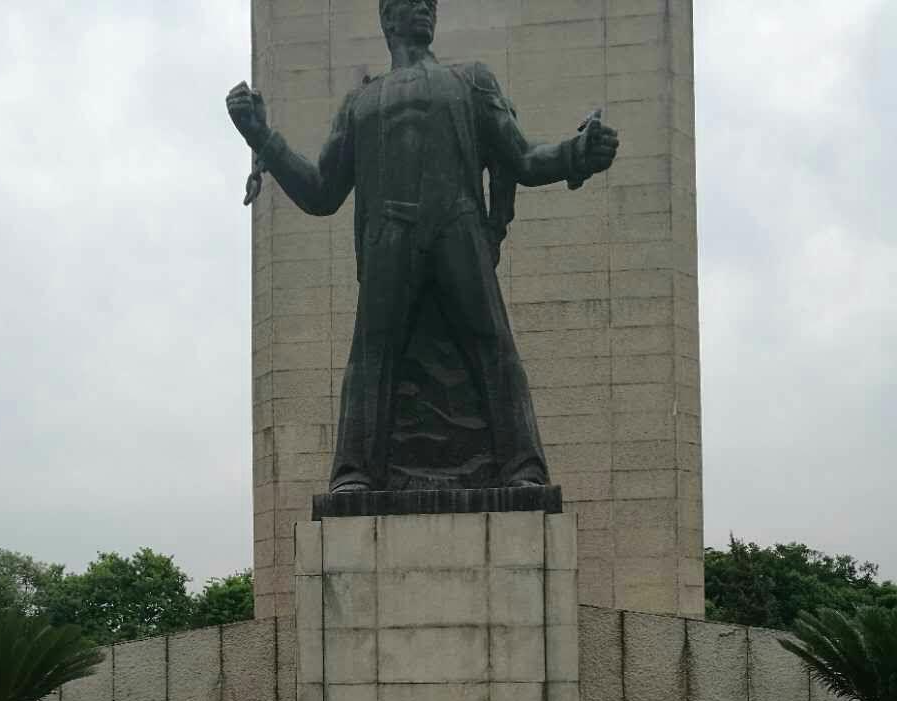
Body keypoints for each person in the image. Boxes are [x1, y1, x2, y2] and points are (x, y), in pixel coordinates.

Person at [227, 0, 618, 494]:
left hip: (457, 224)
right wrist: (262, 136)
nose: (423, 10)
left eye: (428, 4)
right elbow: (321, 192)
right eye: (409, 4)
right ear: (386, 19)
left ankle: (523, 468)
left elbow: (521, 157)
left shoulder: (471, 81)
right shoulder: (360, 103)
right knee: (371, 355)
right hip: (389, 233)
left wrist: (576, 153)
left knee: (492, 344)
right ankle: (353, 473)